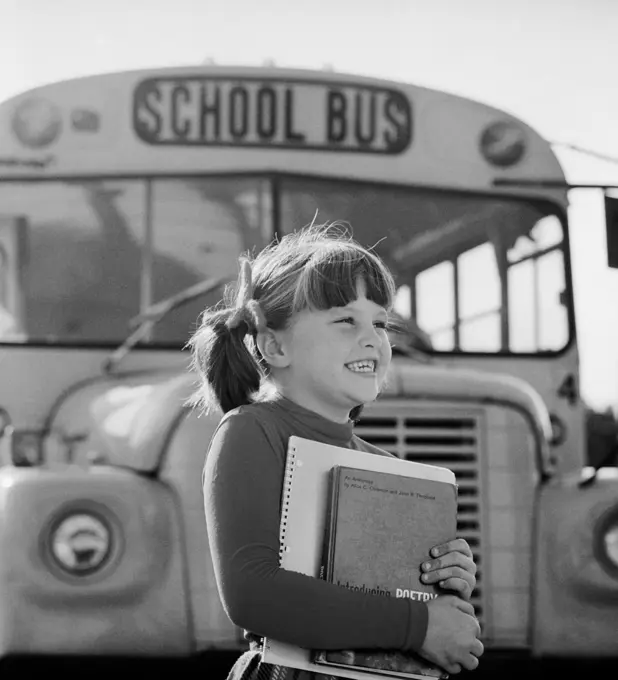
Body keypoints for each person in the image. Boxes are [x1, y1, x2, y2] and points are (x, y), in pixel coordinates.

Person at [188, 223, 483, 680]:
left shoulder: (389, 468)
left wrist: (447, 586)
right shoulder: (252, 432)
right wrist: (419, 625)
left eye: (380, 323)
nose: (372, 338)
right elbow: (253, 594)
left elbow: (404, 606)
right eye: (346, 320)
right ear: (275, 345)